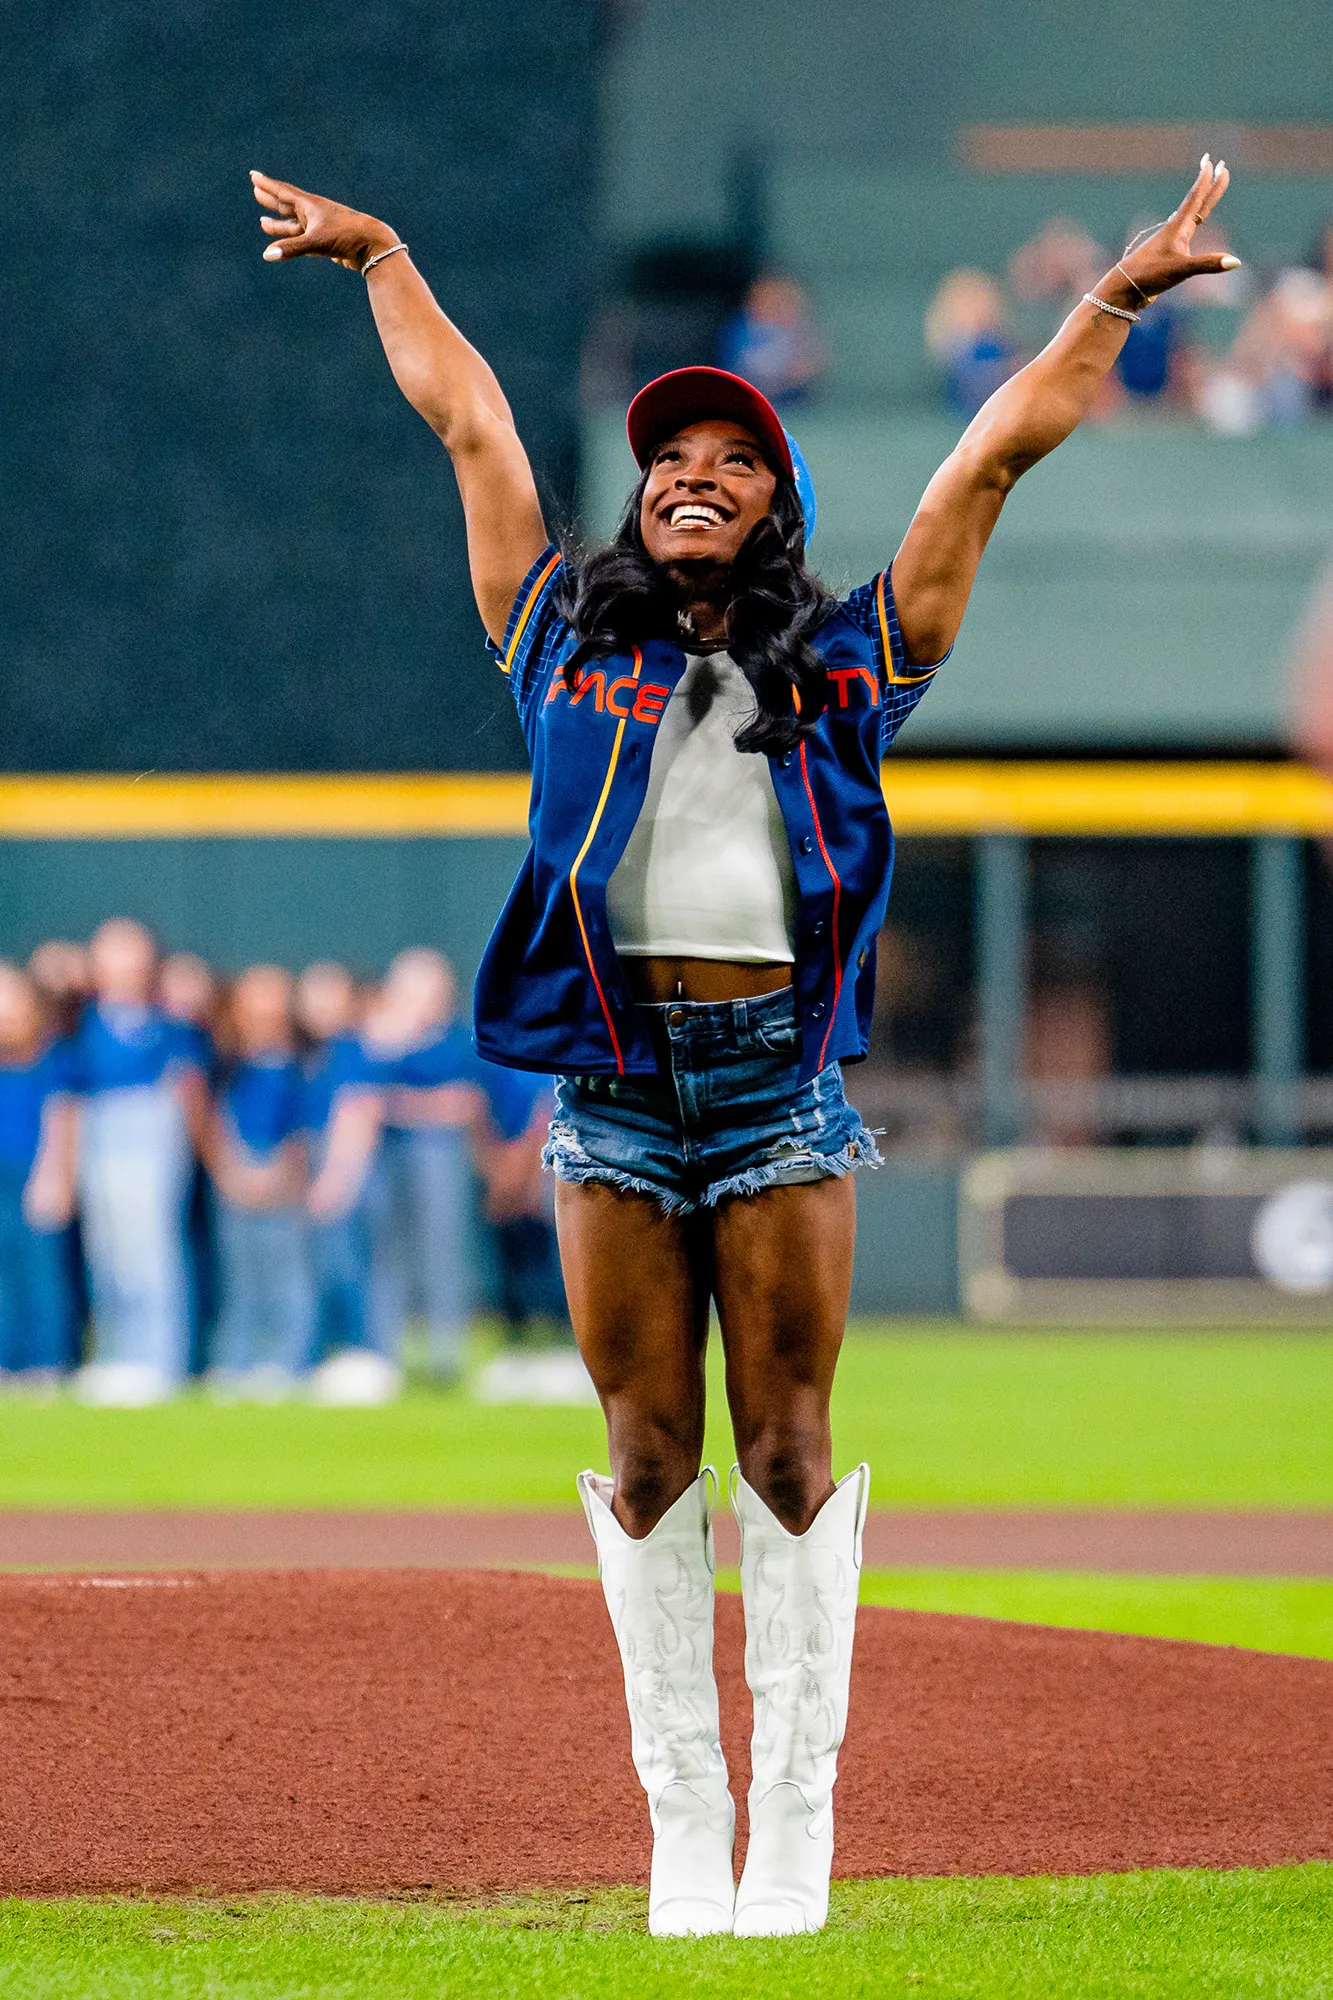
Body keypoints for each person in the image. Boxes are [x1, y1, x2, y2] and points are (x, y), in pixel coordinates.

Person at [252, 153, 1239, 1938]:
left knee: (784, 1448)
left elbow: (988, 459)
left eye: (728, 462)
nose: (688, 473)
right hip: (616, 1100)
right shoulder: (558, 636)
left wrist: (1112, 297)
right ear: (638, 506)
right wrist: (385, 254)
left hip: (776, 1087)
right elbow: (474, 431)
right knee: (645, 1462)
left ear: (771, 509)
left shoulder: (849, 665)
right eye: (665, 461)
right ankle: (677, 1824)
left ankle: (793, 1824)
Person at [69, 918, 211, 1405]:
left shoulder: (168, 1023)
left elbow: (189, 1090)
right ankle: (117, 1355)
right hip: (98, 1133)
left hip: (149, 1134)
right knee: (108, 1251)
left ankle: (160, 1359)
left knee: (151, 1251)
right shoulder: (81, 1020)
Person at [362, 948, 481, 1385]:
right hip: (384, 1156)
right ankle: (386, 1354)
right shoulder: (381, 1040)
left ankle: (445, 1356)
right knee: (387, 1255)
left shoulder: (457, 1042)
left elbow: (462, 1105)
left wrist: (400, 1105)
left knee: (443, 1252)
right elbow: (362, 1093)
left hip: (440, 1156)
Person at [205, 964, 314, 1397]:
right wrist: (231, 1171)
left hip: (283, 1184)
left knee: (288, 1278)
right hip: (234, 1181)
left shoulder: (299, 1065)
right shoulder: (226, 1064)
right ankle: (237, 1363)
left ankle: (288, 1362)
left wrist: (279, 1175)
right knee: (241, 1280)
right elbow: (212, 1120)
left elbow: (302, 1131)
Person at [297, 961, 396, 1406]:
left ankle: (372, 1359)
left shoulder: (353, 1049)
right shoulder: (314, 1052)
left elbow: (361, 1112)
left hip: (351, 1171)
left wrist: (337, 1179)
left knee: (356, 1268)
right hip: (326, 1163)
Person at [0, 963, 79, 1387]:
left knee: (41, 1273)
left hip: (34, 1176)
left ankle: (47, 1362)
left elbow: (63, 1119)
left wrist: (56, 1177)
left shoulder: (52, 1056)